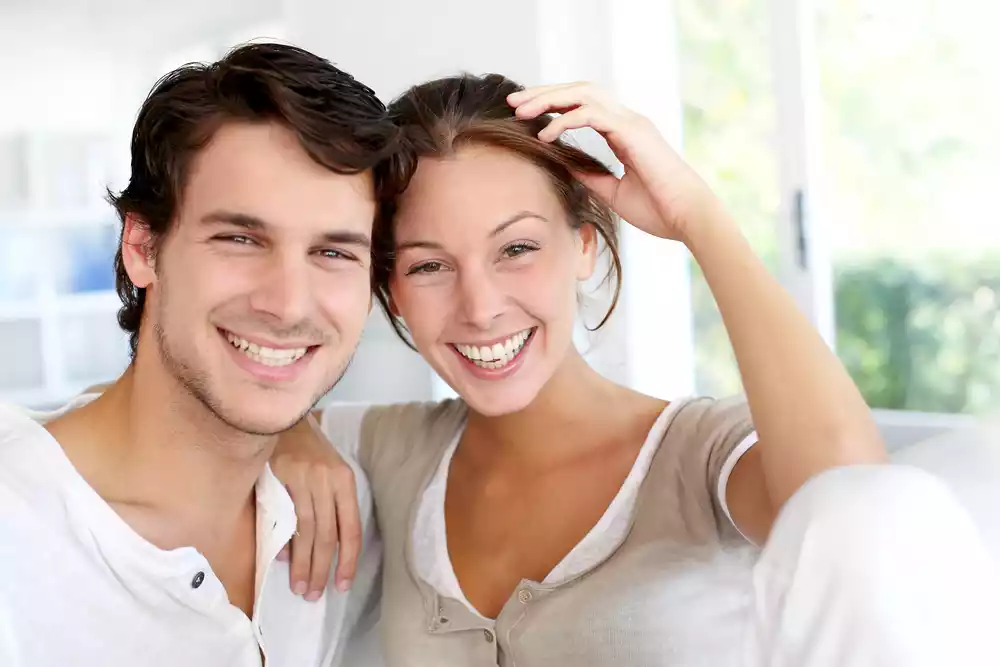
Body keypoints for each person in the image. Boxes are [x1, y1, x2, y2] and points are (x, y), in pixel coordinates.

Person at [278, 74, 1000, 666]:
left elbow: (858, 505)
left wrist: (697, 217)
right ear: (391, 289)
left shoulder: (702, 453)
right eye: (429, 265)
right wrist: (287, 431)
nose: (480, 306)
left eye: (517, 249)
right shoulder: (385, 449)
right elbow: (208, 424)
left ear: (585, 245)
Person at [0, 43, 395, 667]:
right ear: (143, 247)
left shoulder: (356, 511)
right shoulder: (15, 549)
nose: (289, 304)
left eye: (334, 252)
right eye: (240, 238)